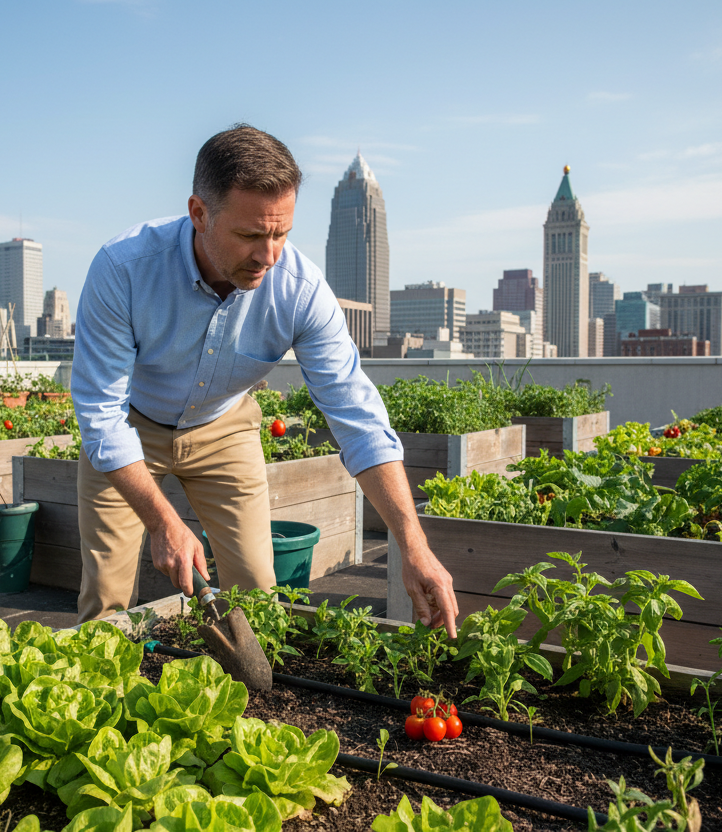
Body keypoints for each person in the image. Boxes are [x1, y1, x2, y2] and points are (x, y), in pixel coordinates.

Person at [71, 124, 458, 636]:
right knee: (106, 601)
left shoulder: (299, 290)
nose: (269, 255)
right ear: (199, 214)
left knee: (257, 593)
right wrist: (165, 522)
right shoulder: (123, 269)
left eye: (281, 233)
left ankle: (239, 707)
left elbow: (358, 419)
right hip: (130, 429)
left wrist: (412, 543)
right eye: (251, 235)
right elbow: (101, 416)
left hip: (223, 425)